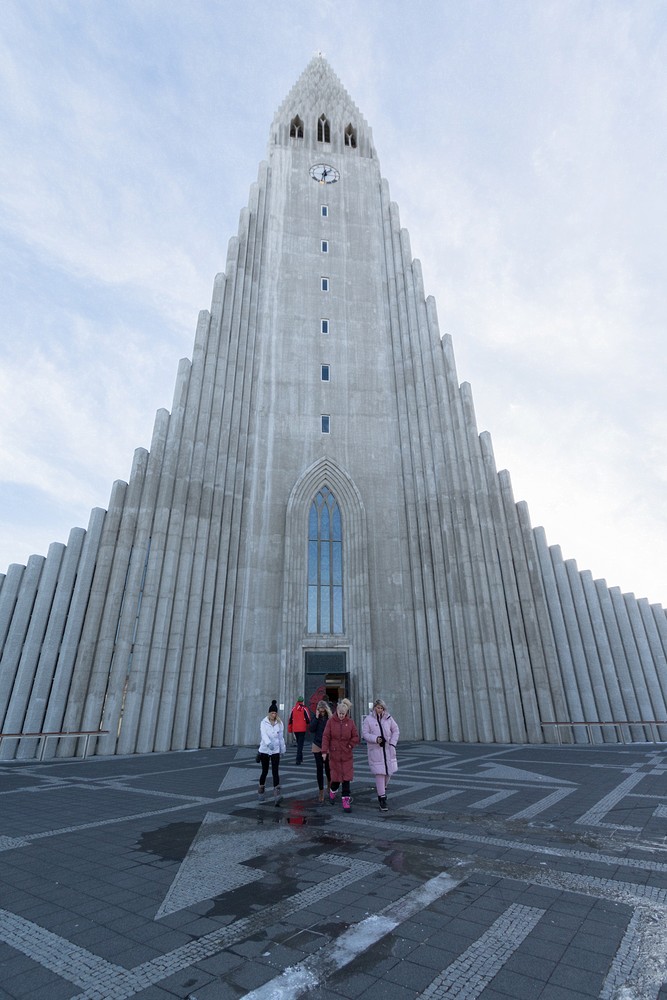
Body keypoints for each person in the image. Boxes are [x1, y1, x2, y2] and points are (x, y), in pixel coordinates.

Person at [321, 697, 359, 812]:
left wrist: (350, 745)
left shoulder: (350, 723)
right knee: (336, 779)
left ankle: (346, 801)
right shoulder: (331, 722)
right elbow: (326, 736)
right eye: (340, 713)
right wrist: (324, 751)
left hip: (347, 755)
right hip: (335, 755)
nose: (341, 715)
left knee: (346, 779)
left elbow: (356, 737)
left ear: (346, 713)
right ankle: (333, 792)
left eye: (344, 714)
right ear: (336, 712)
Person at [362, 698, 399, 812]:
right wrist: (375, 739)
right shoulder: (368, 720)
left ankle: (383, 789)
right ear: (374, 708)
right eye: (378, 707)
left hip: (388, 750)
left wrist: (392, 743)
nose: (380, 709)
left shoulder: (388, 718)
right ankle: (382, 798)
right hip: (376, 750)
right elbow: (365, 734)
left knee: (388, 773)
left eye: (381, 708)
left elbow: (396, 730)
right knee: (380, 774)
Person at [258, 700, 286, 804]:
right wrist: (268, 743)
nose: (274, 715)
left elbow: (281, 737)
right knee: (264, 771)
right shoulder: (263, 722)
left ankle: (277, 794)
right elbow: (263, 735)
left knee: (275, 771)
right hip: (265, 750)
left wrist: (282, 749)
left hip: (275, 750)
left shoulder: (279, 723)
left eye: (275, 713)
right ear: (269, 713)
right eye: (272, 713)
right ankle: (261, 790)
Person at [309, 700, 332, 802]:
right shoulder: (315, 717)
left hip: (327, 746)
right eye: (320, 711)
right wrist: (317, 717)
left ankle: (329, 786)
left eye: (323, 711)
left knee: (328, 768)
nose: (322, 713)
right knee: (319, 768)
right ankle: (321, 791)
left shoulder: (330, 718)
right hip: (317, 745)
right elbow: (311, 729)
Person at [287, 696, 311, 764]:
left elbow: (290, 720)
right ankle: (298, 759)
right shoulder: (304, 709)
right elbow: (308, 719)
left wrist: (290, 729)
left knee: (298, 743)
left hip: (295, 729)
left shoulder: (293, 709)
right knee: (300, 744)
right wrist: (309, 727)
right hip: (302, 729)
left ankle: (300, 757)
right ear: (302, 701)